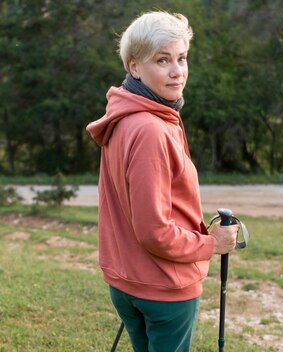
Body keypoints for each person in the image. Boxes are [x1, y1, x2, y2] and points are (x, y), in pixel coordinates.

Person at [86, 11, 238, 352]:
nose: (177, 71)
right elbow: (154, 231)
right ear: (135, 67)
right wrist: (212, 244)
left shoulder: (124, 117)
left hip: (127, 282)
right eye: (162, 60)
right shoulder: (151, 128)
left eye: (181, 58)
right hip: (163, 287)